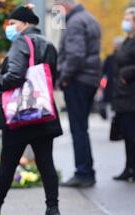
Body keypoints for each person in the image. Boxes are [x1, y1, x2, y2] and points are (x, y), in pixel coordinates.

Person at [0, 4, 64, 215]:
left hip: (20, 117)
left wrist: (0, 82)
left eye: (12, 23)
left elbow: (15, 75)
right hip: (43, 112)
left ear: (25, 23)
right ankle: (53, 211)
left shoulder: (21, 41)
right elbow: (52, 76)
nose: (9, 28)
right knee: (46, 163)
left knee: (7, 164)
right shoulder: (48, 43)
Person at [55, 0, 102, 188]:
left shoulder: (74, 22)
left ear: (64, 6)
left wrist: (64, 77)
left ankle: (83, 173)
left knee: (78, 128)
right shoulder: (89, 18)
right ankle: (86, 171)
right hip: (89, 79)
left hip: (78, 80)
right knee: (82, 127)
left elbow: (75, 55)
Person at [112, 7, 135, 182]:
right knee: (128, 134)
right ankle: (129, 167)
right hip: (124, 94)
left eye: (128, 19)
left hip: (131, 94)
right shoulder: (128, 40)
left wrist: (127, 73)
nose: (125, 22)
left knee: (132, 133)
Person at [97, 37, 124, 120]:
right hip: (110, 87)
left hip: (121, 88)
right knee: (110, 109)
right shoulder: (109, 59)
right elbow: (103, 75)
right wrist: (101, 87)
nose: (116, 46)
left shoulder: (126, 58)